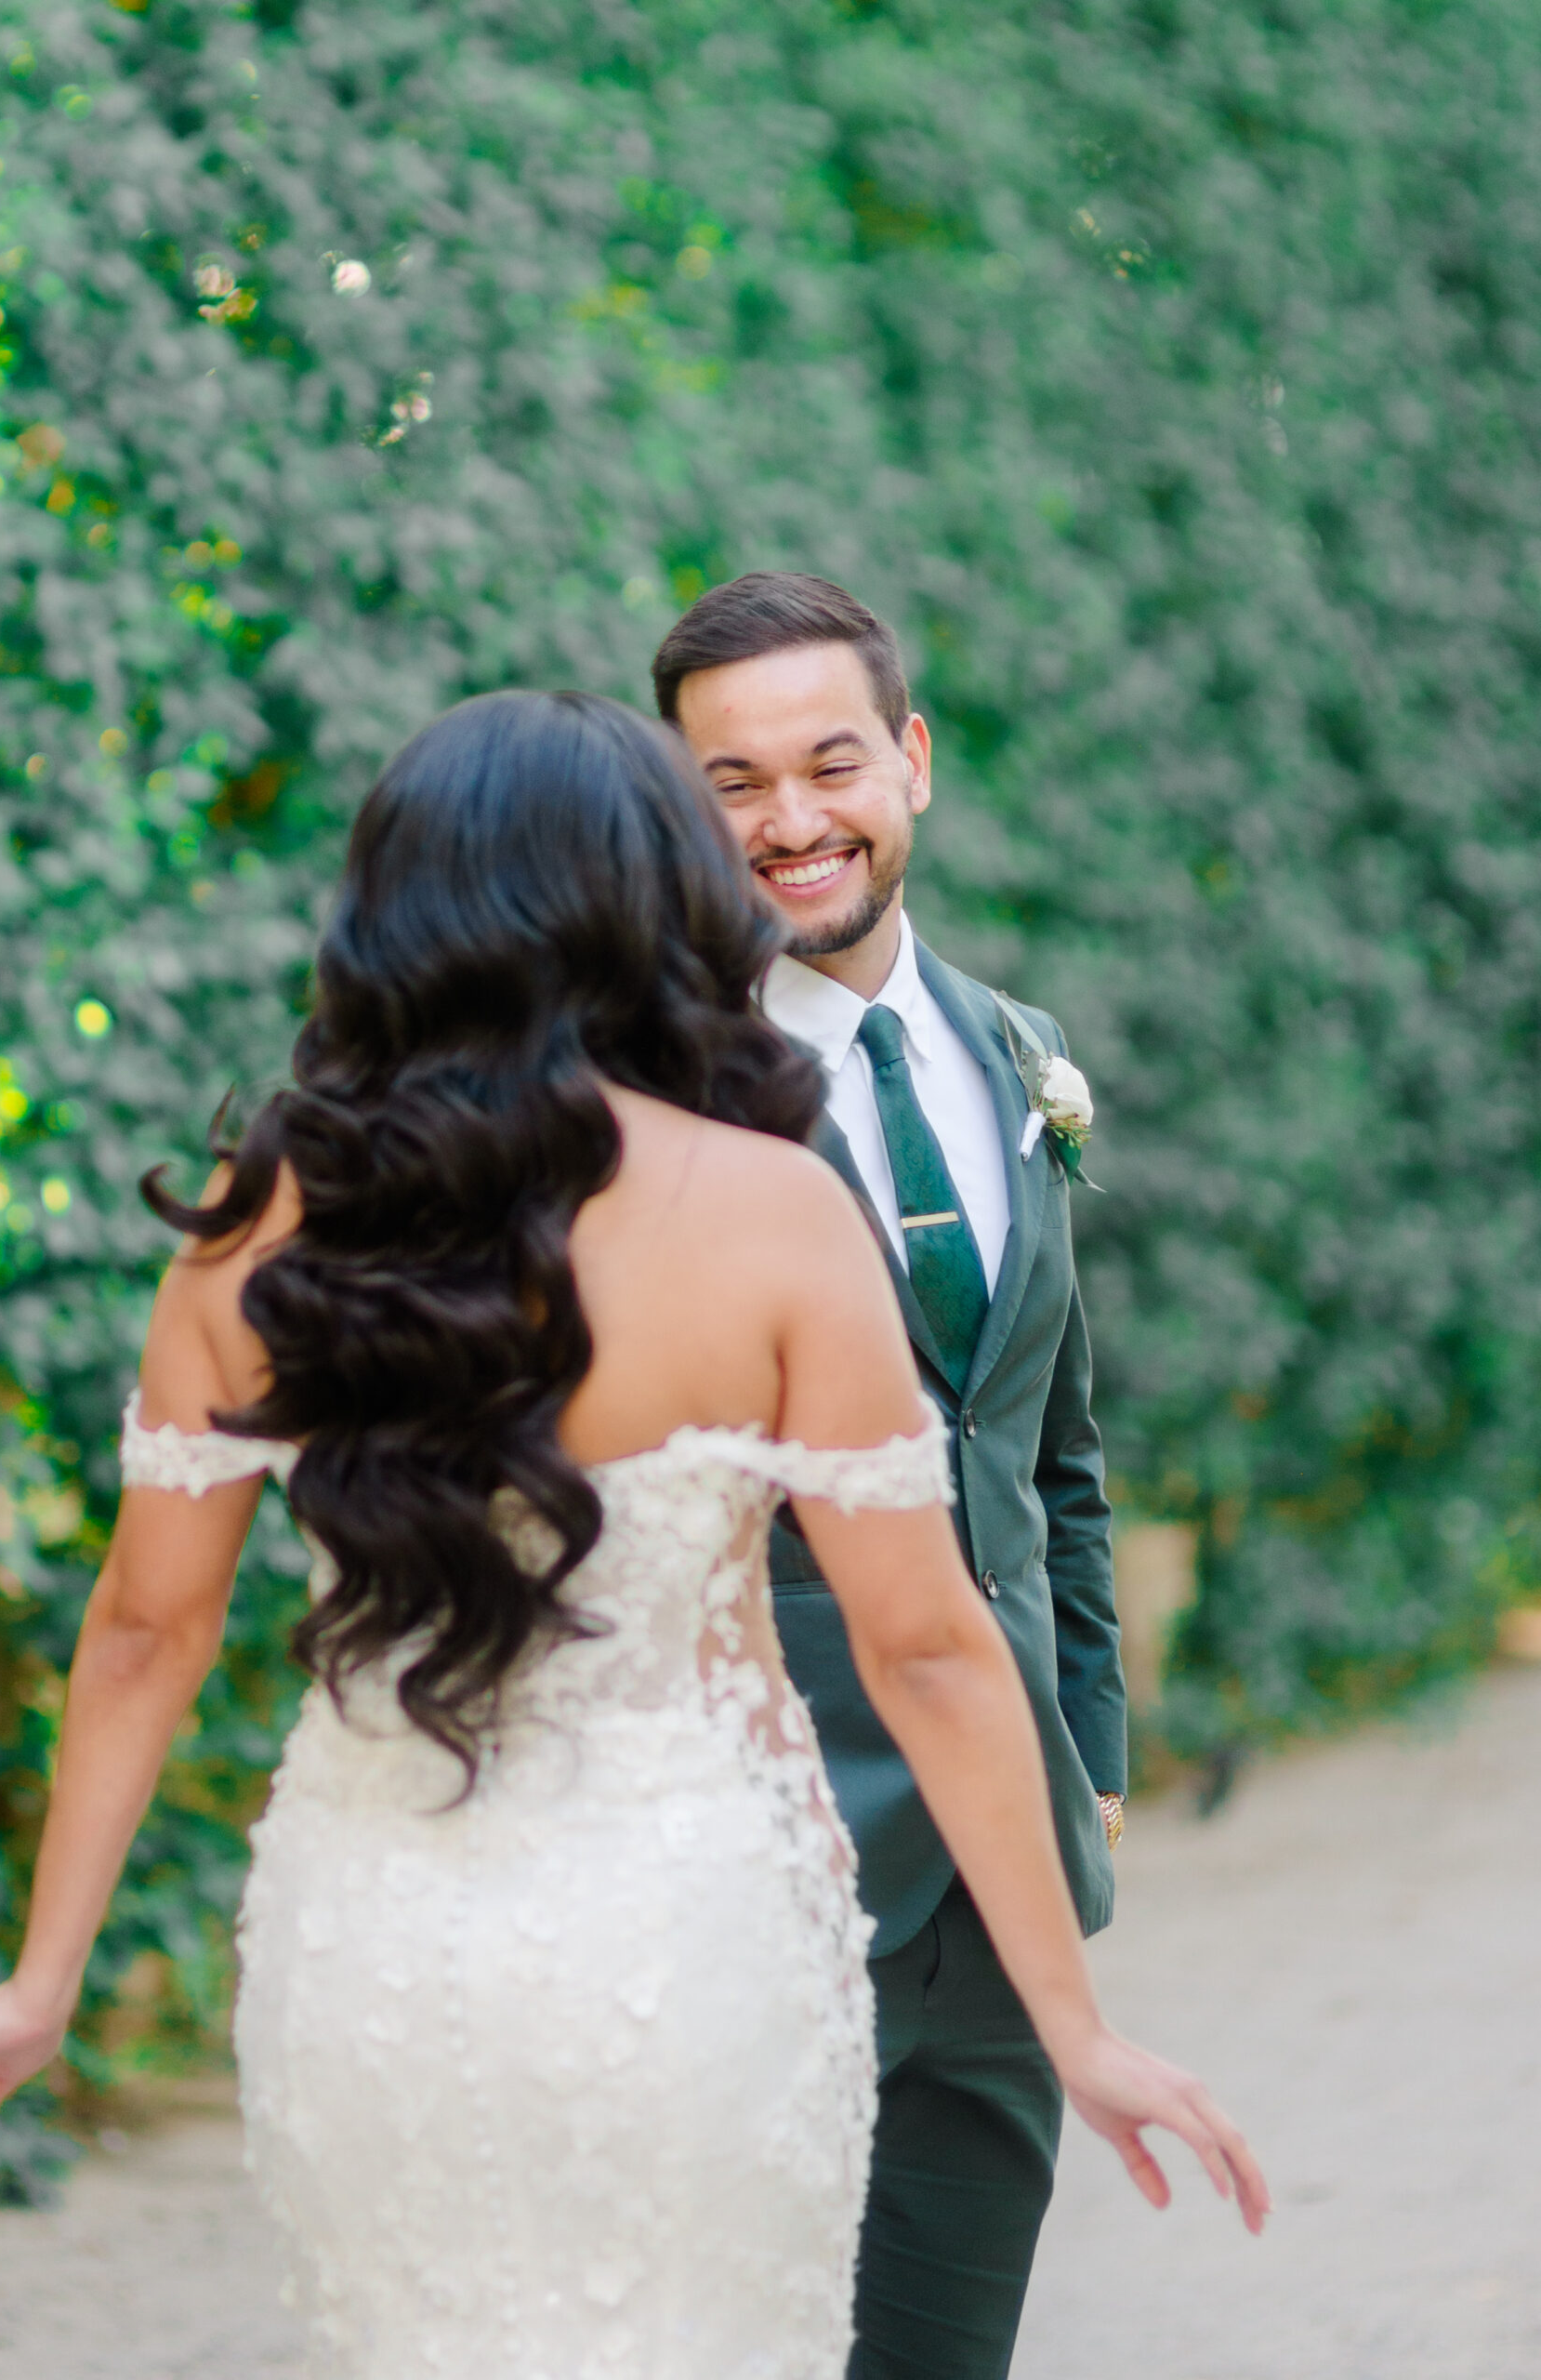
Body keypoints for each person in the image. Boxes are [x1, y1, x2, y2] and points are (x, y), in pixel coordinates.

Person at [0, 691, 1264, 2378]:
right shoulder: (775, 1213)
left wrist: (41, 1979)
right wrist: (1072, 2029)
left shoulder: (251, 1237)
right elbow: (925, 1647)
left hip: (377, 1948)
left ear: (387, 915)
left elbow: (143, 1632)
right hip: (696, 1935)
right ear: (660, 904)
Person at [653, 572, 1135, 2379]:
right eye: (731, 783)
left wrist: (1085, 1757)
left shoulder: (1013, 1051)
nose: (791, 822)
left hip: (1005, 1881)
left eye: (830, 761)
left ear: (912, 761)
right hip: (756, 1873)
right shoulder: (652, 1094)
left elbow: (1052, 1452)